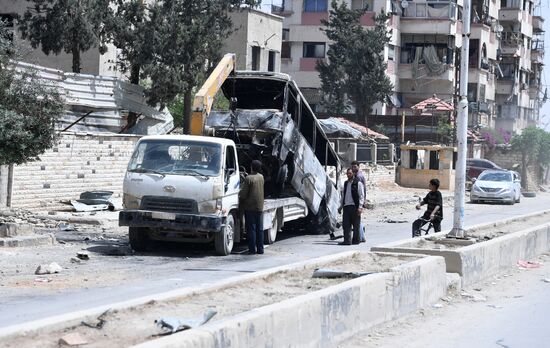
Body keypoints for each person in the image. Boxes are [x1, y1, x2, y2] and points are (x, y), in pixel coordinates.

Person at [239, 160, 265, 254]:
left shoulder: (248, 178)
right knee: (260, 229)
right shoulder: (261, 177)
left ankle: (252, 250)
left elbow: (243, 194)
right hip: (260, 207)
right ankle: (260, 249)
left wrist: (240, 193)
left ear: (251, 167)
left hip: (250, 207)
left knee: (251, 229)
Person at [338, 168, 365, 245]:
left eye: (350, 173)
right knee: (346, 225)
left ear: (353, 174)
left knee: (356, 225)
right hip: (346, 207)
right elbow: (343, 196)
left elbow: (361, 196)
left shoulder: (358, 183)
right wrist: (340, 206)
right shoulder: (346, 183)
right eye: (347, 173)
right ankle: (347, 241)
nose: (348, 175)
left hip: (355, 207)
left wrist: (360, 207)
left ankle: (356, 240)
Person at [351, 160, 367, 243]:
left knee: (357, 220)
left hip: (358, 202)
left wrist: (361, 203)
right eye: (352, 167)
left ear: (358, 166)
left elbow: (361, 192)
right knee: (358, 220)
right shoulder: (357, 175)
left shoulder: (358, 177)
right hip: (358, 201)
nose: (353, 168)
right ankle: (362, 237)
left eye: (355, 167)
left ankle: (360, 237)